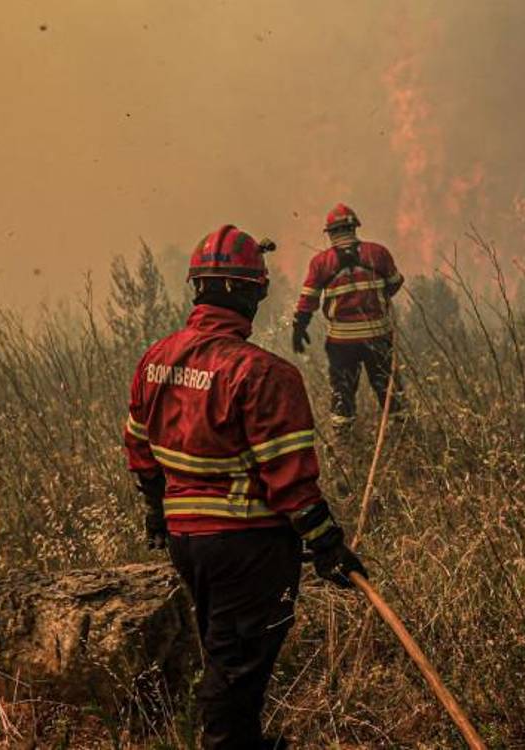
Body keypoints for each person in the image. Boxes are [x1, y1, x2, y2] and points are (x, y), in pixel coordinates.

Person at [123, 223, 367, 749]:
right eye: (259, 290)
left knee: (226, 648)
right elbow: (291, 483)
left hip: (188, 542)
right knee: (237, 664)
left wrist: (155, 511)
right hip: (246, 545)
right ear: (243, 292)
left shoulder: (156, 359)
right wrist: (327, 543)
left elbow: (139, 450)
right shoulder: (262, 375)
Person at [292, 203, 406, 431]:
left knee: (342, 392)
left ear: (331, 233)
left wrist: (299, 326)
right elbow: (395, 283)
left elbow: (309, 300)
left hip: (341, 342)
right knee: (388, 389)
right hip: (378, 336)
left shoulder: (321, 262)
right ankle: (401, 434)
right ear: (354, 228)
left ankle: (344, 441)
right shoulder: (378, 253)